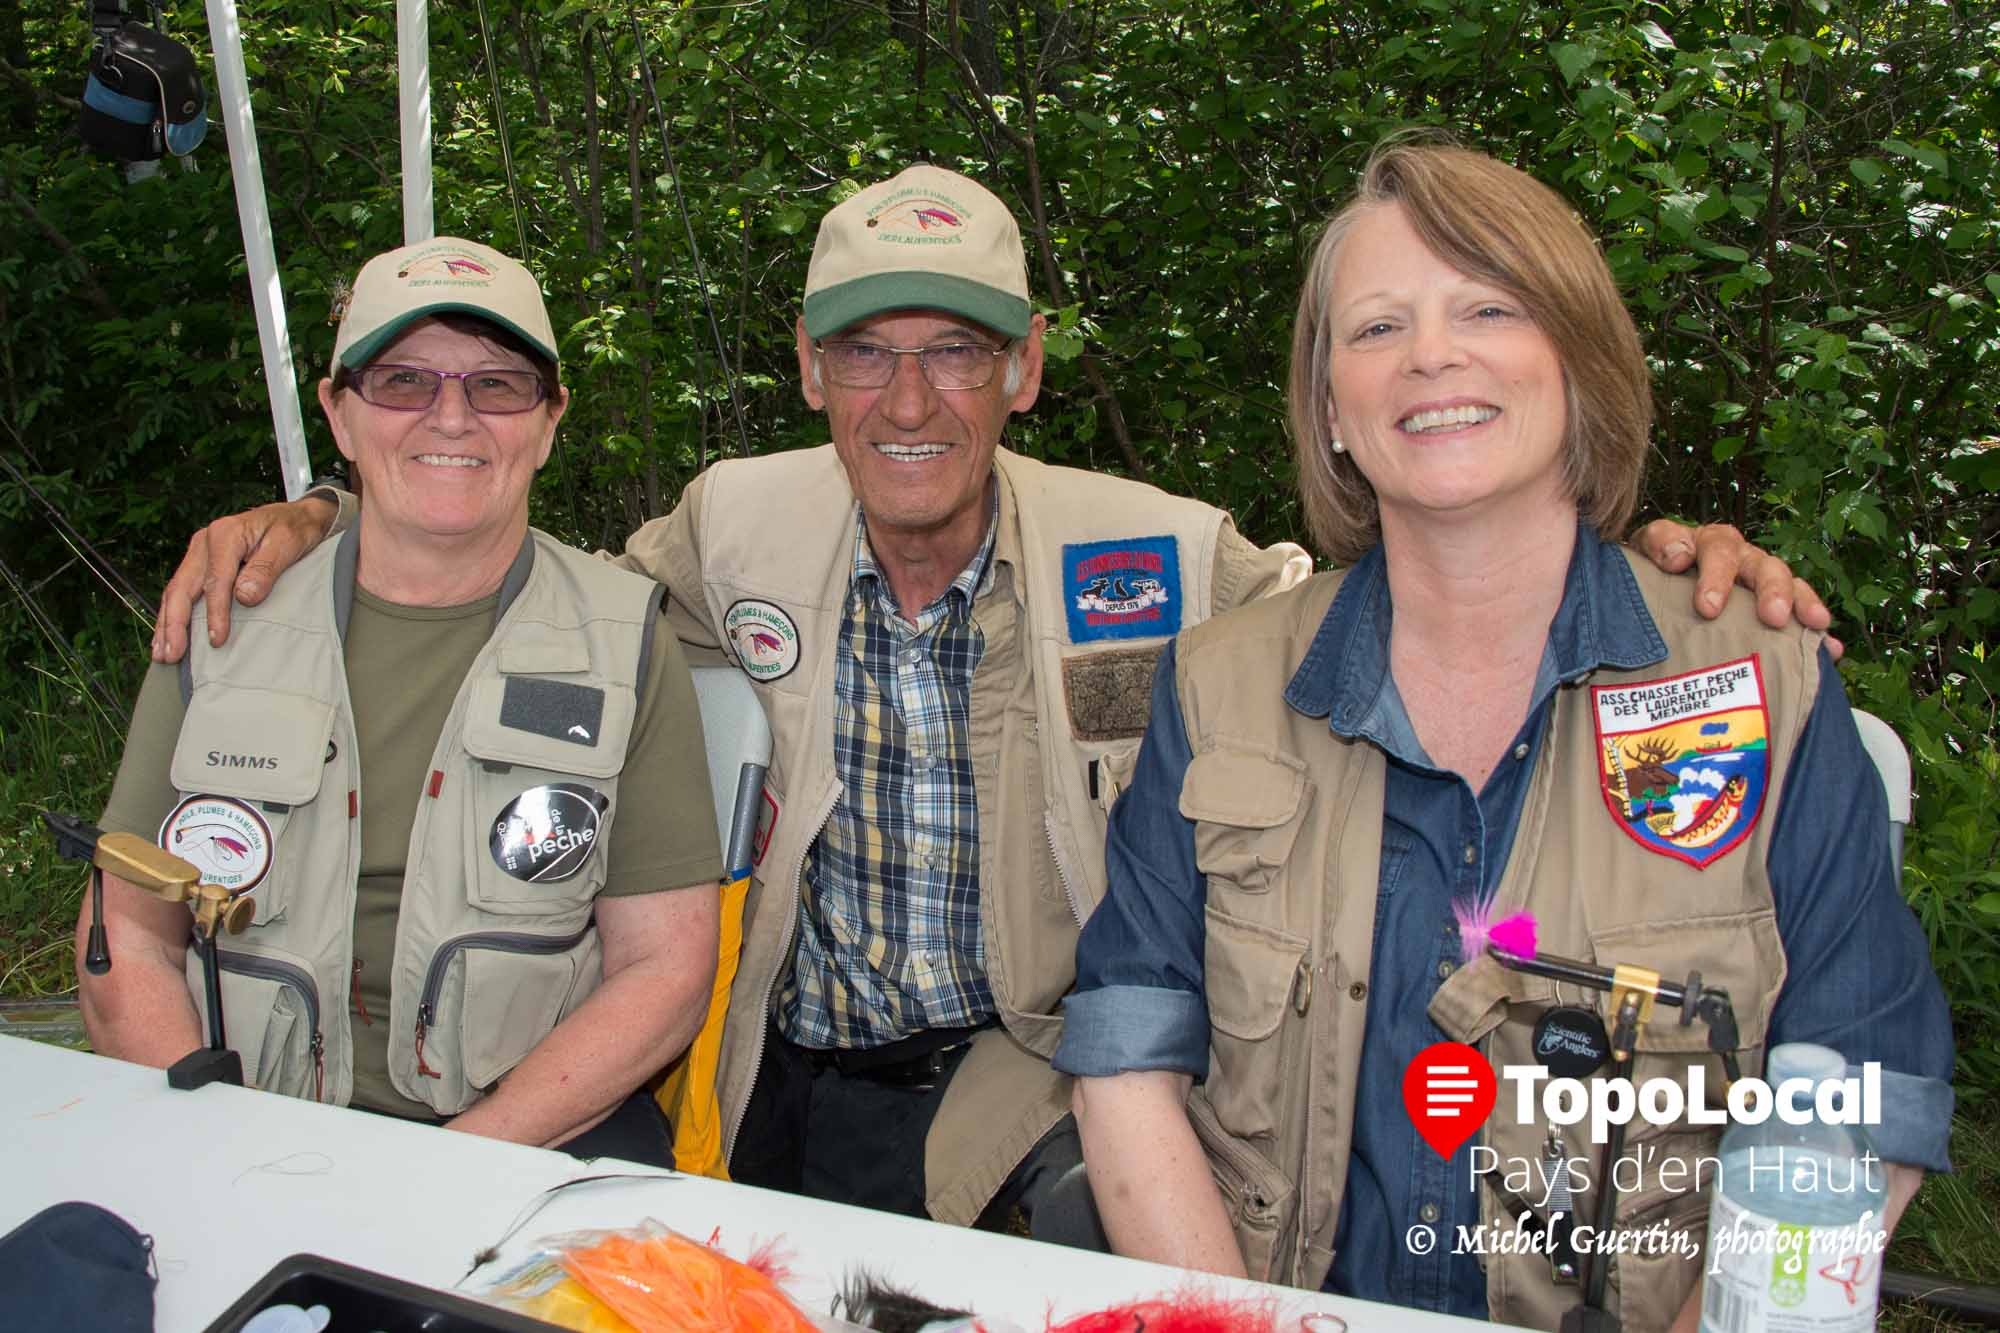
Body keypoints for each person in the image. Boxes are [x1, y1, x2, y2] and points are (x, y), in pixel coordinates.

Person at [149, 165, 1826, 1241]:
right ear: (808, 373)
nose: (909, 396)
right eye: (865, 353)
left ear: (1025, 369)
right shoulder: (733, 523)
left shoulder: (1161, 555)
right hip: (773, 1062)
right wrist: (317, 524)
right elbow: (508, 572)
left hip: (1024, 1075)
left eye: (957, 350)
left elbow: (1419, 594)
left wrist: (1645, 551)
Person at [1054, 141, 1953, 1329]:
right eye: (1375, 329)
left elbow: (1860, 1110)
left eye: (1487, 305)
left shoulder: (1757, 683)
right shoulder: (1219, 682)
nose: (1431, 353)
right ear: (1329, 406)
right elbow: (1123, 1053)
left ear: (1577, 362)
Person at [78, 238, 723, 1163]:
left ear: (548, 421)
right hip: (238, 1127)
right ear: (340, 415)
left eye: (496, 385)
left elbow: (664, 969)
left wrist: (451, 1169)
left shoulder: (623, 642)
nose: (451, 419)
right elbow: (125, 934)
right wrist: (221, 1150)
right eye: (404, 381)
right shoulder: (226, 616)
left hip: (524, 1138)